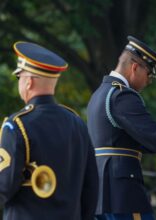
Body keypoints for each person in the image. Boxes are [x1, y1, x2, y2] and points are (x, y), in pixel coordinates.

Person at [87, 36, 156, 220]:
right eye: (150, 74)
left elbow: (140, 142)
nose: (149, 81)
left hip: (100, 194)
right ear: (134, 68)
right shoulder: (122, 96)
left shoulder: (99, 94)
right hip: (123, 195)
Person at [0, 42, 98, 219]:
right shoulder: (78, 124)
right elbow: (91, 189)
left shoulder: (17, 125)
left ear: (28, 82)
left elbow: (3, 186)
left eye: (19, 77)